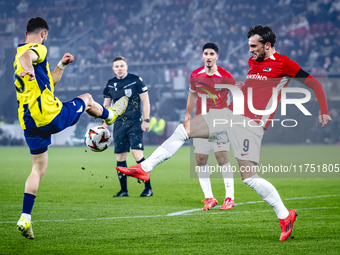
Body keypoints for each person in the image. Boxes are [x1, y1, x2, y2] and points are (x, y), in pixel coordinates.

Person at [116, 25, 332, 241]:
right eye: (249, 46)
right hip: (230, 115)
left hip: (252, 124)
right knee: (184, 129)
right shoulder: (253, 62)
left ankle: (285, 215)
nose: (249, 50)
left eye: (253, 46)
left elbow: (313, 83)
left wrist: (323, 111)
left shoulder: (284, 63)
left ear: (267, 45)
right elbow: (255, 88)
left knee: (249, 178)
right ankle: (145, 168)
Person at [15, 17, 128, 239]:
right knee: (86, 98)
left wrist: (61, 66)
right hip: (49, 116)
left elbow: (49, 82)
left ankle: (25, 217)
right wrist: (27, 68)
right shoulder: (35, 50)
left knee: (38, 169)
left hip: (29, 122)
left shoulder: (20, 56)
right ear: (44, 34)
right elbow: (27, 58)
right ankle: (111, 115)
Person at [185, 43, 236, 211]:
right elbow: (192, 95)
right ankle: (209, 198)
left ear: (216, 57)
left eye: (211, 53)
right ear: (202, 56)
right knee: (200, 160)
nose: (208, 56)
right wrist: (187, 114)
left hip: (220, 124)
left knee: (222, 158)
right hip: (201, 123)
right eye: (205, 53)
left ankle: (229, 197)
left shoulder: (226, 76)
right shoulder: (195, 75)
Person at [102, 56, 153, 197]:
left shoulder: (136, 80)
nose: (119, 69)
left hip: (134, 122)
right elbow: (106, 105)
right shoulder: (110, 84)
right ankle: (124, 190)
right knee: (120, 156)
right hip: (118, 123)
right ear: (113, 69)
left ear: (126, 67)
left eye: (121, 66)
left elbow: (146, 101)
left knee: (137, 155)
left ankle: (148, 188)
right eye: (116, 66)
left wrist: (146, 120)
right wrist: (104, 123)